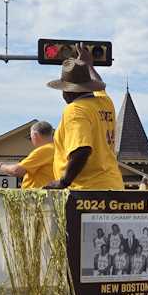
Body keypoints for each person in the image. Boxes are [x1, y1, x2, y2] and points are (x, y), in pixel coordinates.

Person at [44, 45, 124, 191]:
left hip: (85, 192)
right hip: (113, 185)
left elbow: (82, 150)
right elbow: (100, 87)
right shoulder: (105, 102)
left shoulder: (75, 110)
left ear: (67, 91)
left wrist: (63, 182)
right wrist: (88, 65)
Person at [0, 120, 55, 189]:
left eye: (31, 137)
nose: (31, 140)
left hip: (40, 196)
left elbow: (16, 170)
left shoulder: (44, 150)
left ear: (35, 135)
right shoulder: (57, 149)